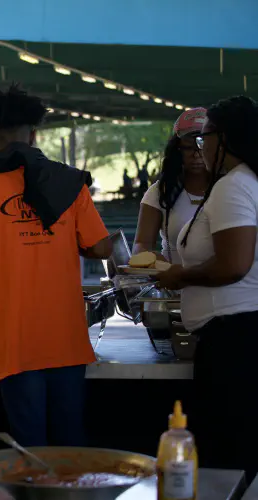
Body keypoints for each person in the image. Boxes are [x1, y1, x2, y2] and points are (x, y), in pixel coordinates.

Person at [0, 85, 112, 447]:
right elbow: (100, 247)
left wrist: (10, 280)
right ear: (34, 134)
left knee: (30, 445)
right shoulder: (70, 183)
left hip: (16, 338)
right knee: (70, 442)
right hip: (66, 333)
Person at [157, 96, 258, 478]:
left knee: (230, 456)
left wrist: (180, 275)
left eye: (206, 136)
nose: (202, 145)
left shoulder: (235, 186)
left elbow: (234, 264)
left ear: (225, 138)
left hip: (236, 338)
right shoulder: (242, 182)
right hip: (235, 334)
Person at [133, 108, 210, 264]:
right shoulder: (160, 191)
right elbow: (141, 244)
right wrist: (156, 261)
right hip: (174, 283)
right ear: (177, 151)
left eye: (202, 146)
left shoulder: (231, 187)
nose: (196, 155)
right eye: (188, 148)